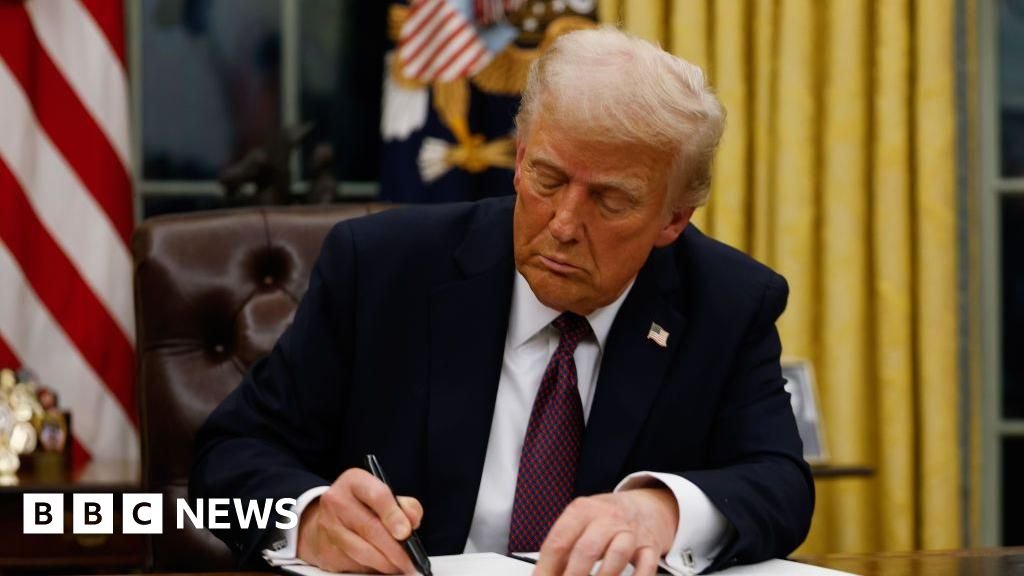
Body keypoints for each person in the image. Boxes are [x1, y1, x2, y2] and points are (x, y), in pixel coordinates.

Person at [190, 26, 814, 576]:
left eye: (610, 200)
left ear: (674, 218)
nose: (563, 224)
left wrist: (660, 511)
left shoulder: (727, 302)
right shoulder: (381, 270)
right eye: (548, 178)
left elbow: (780, 484)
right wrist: (309, 516)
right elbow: (227, 460)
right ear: (518, 160)